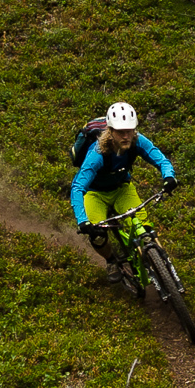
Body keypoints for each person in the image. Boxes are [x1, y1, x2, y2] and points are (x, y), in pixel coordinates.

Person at [72, 102, 178, 280]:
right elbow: (78, 187)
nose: (126, 136)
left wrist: (169, 177)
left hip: (122, 188)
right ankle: (111, 261)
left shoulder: (138, 141)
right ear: (110, 131)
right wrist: (82, 221)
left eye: (129, 130)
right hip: (95, 193)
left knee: (144, 231)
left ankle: (158, 263)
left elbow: (160, 159)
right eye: (121, 132)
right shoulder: (97, 154)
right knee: (98, 236)